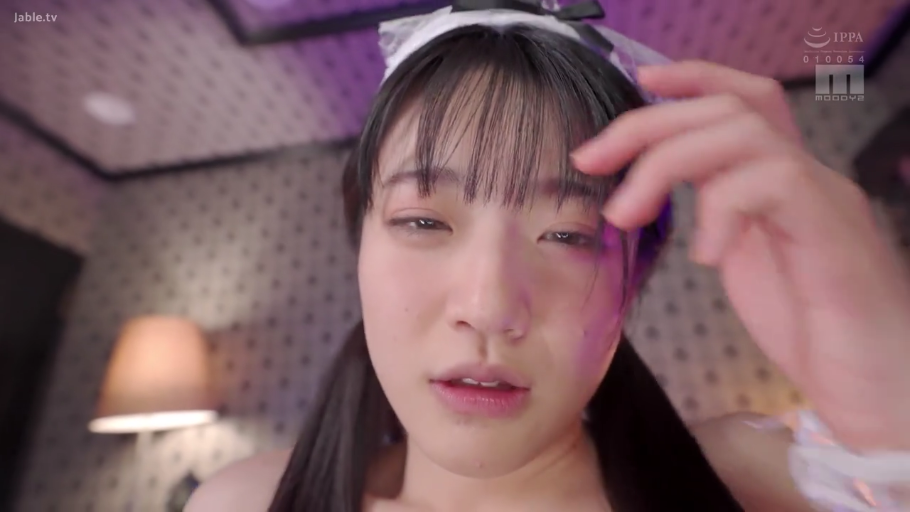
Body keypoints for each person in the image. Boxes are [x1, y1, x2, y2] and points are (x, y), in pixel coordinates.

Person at [185, 2, 910, 511]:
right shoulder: (243, 502)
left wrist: (891, 416)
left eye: (569, 234)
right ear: (360, 245)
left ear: (634, 277)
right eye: (422, 220)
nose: (489, 307)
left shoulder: (753, 482)